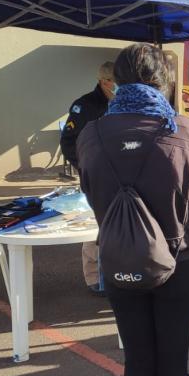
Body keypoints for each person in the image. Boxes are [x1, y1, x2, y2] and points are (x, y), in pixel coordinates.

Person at [77, 43, 189, 376]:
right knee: (173, 359)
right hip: (180, 259)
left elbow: (89, 191)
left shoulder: (91, 134)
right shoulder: (187, 131)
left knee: (138, 358)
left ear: (116, 83)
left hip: (120, 257)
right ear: (164, 81)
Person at [60, 61, 116, 295]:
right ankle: (94, 277)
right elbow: (68, 142)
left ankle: (115, 273)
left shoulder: (125, 103)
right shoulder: (84, 106)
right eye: (116, 82)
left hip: (121, 175)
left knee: (116, 226)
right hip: (94, 175)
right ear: (104, 82)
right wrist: (87, 167)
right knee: (94, 226)